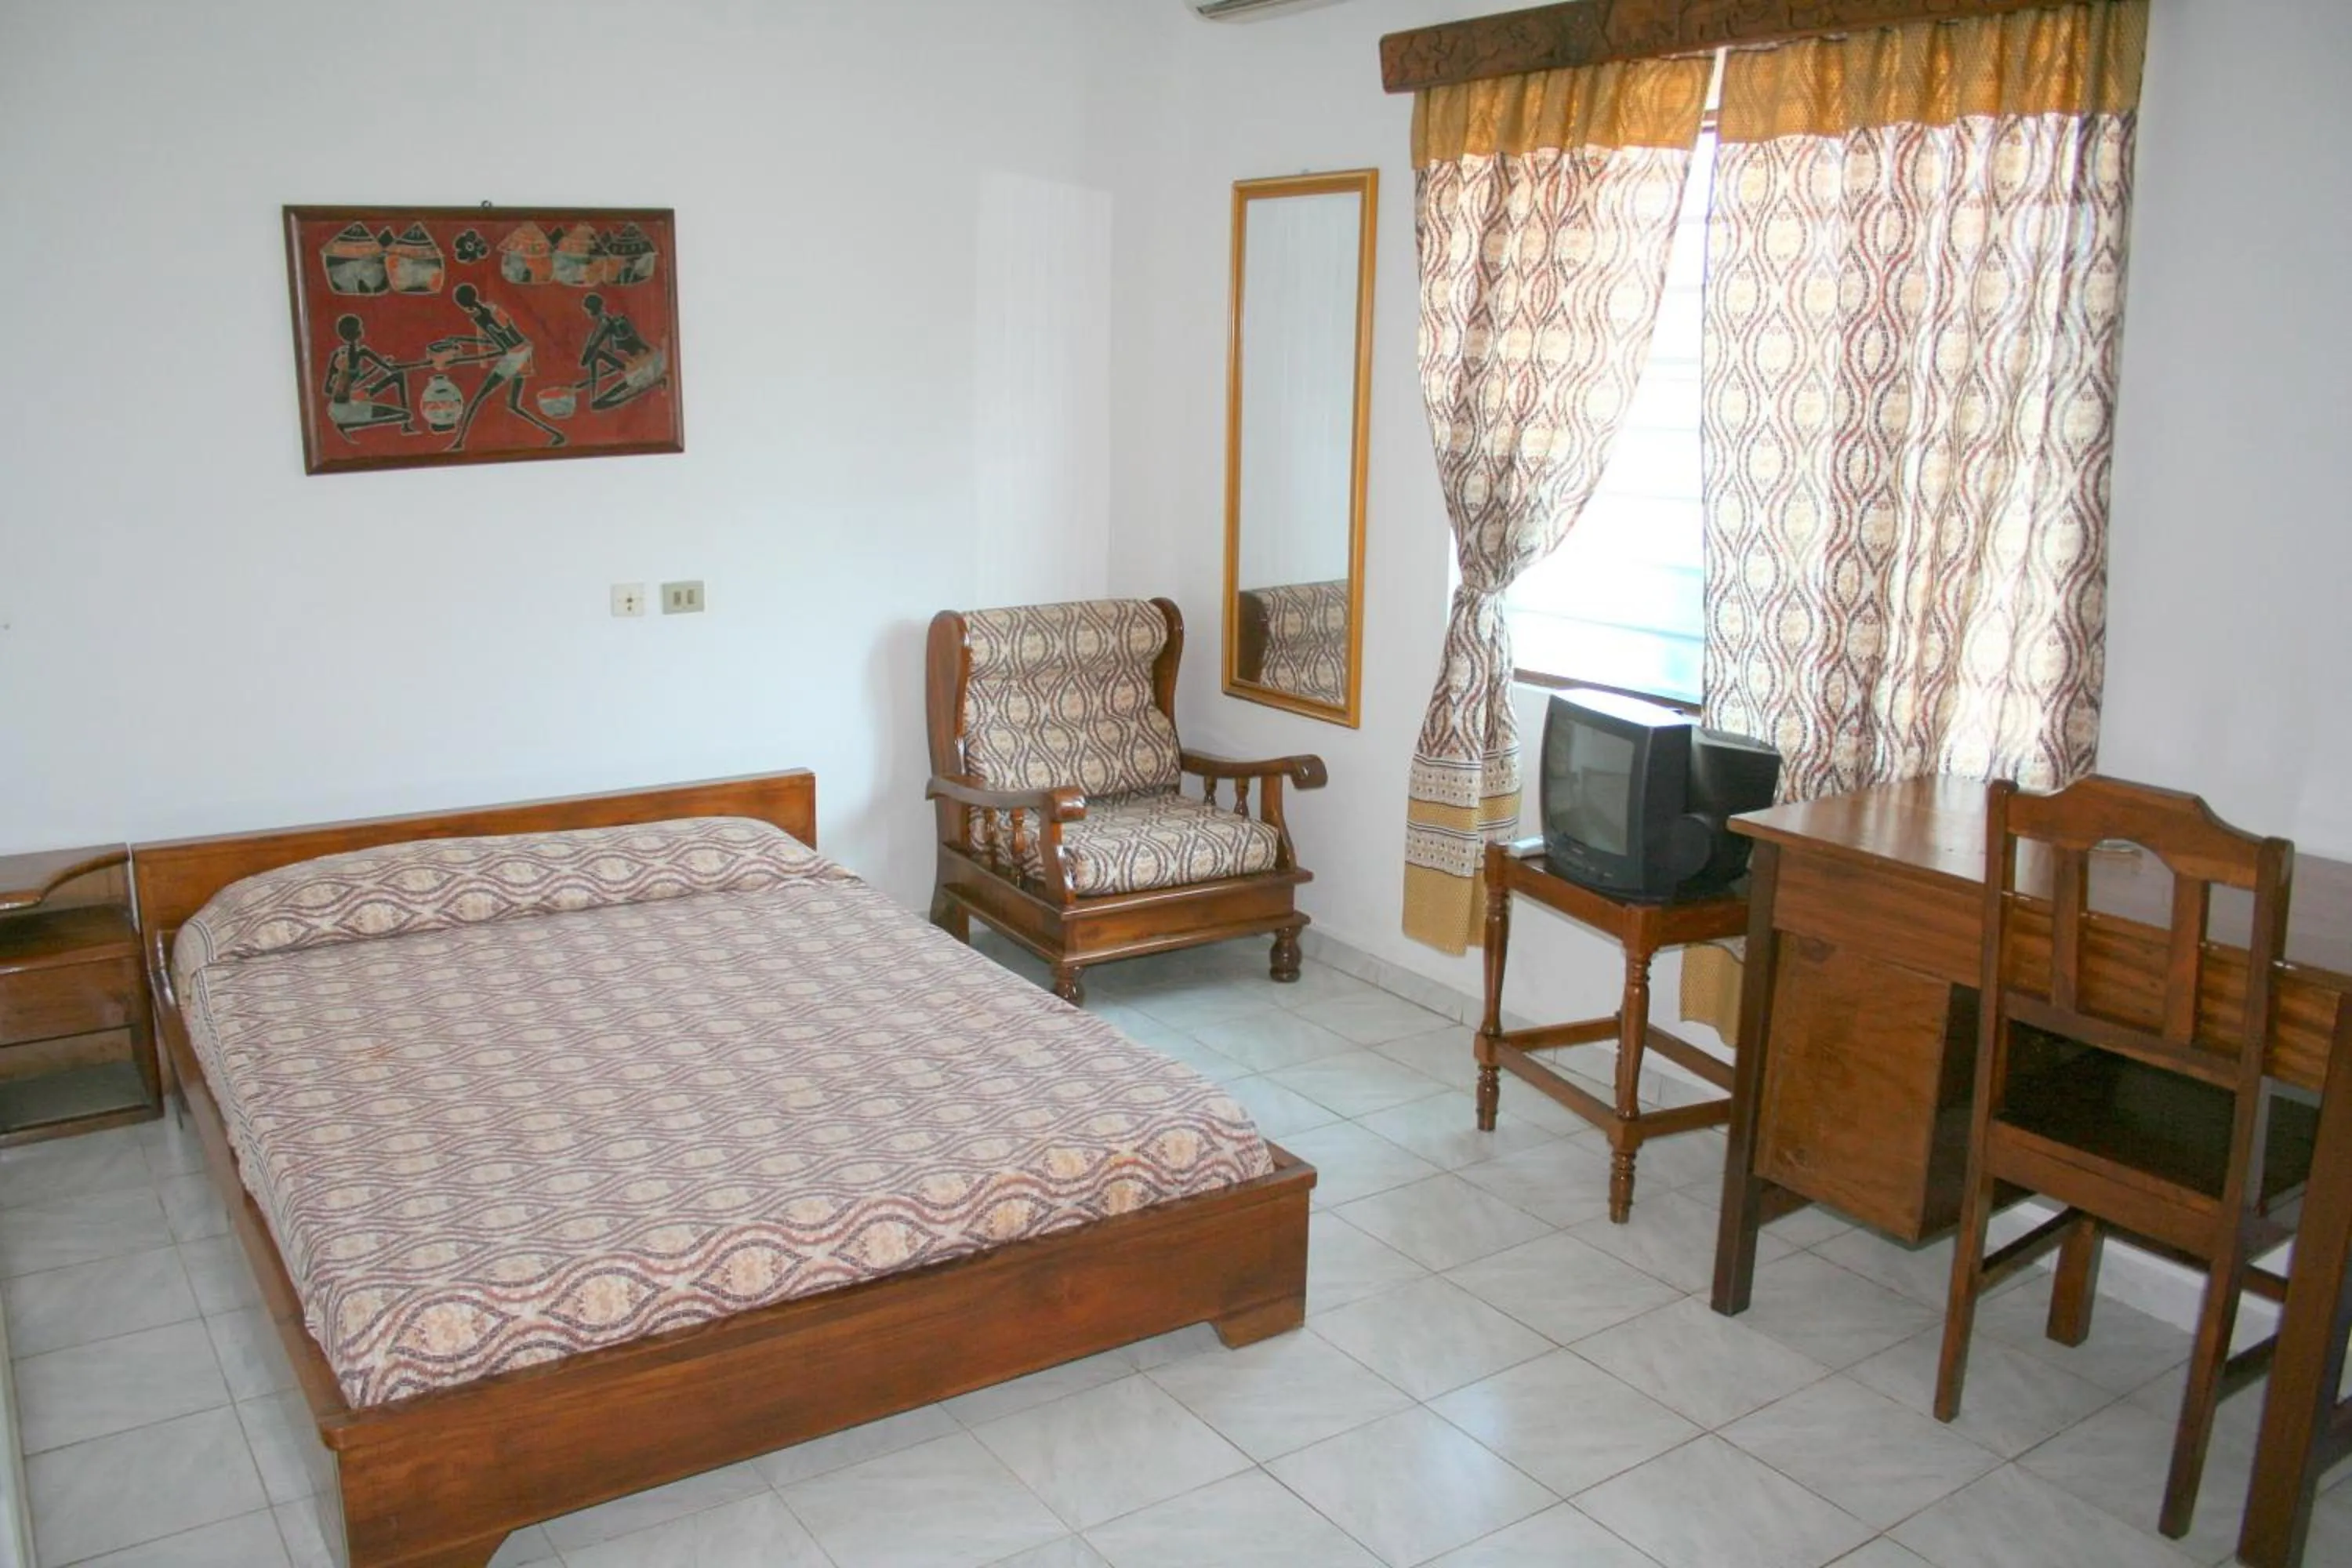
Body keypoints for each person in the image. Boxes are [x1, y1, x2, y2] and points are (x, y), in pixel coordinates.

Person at [434, 282, 565, 452]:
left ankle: (459, 442)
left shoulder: (481, 317)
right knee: (514, 405)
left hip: (515, 356)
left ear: (462, 305)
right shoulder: (490, 308)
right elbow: (497, 339)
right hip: (523, 350)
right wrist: (462, 339)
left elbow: (501, 349)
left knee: (477, 399)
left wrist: (460, 361)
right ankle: (557, 434)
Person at [321, 314, 413, 439]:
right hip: (347, 410)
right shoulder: (359, 352)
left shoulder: (340, 354)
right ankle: (349, 426)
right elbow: (391, 369)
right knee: (406, 415)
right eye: (361, 327)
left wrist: (376, 369)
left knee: (398, 377)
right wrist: (423, 364)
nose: (362, 329)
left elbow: (329, 389)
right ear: (357, 332)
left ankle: (406, 426)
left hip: (338, 408)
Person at [577, 292, 670, 412]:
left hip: (644, 367)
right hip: (651, 359)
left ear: (591, 311)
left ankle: (595, 394)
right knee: (599, 355)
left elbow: (585, 360)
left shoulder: (605, 324)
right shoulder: (618, 319)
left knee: (597, 405)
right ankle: (594, 393)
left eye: (587, 310)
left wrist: (591, 342)